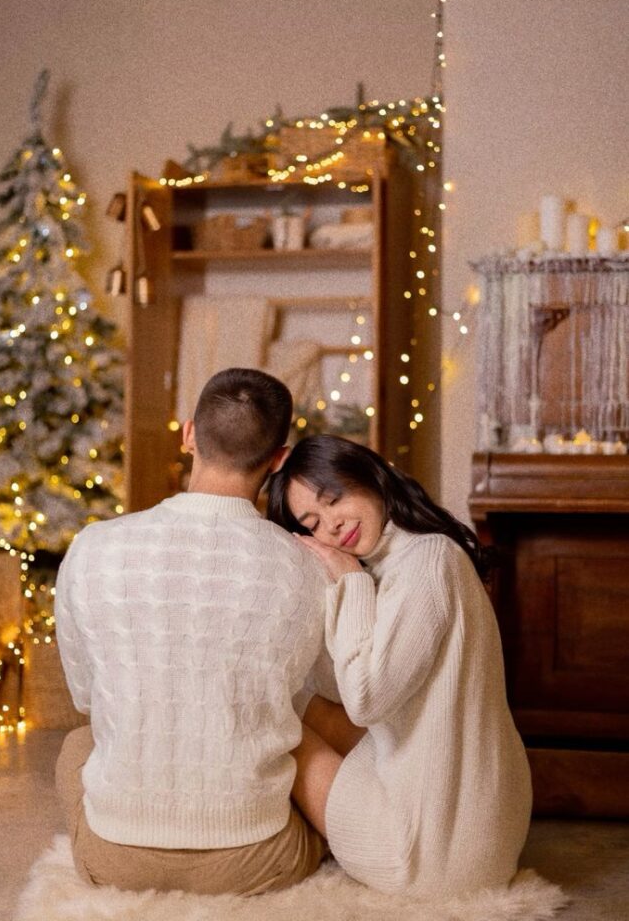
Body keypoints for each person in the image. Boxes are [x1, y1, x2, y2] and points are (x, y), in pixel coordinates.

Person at [54, 368, 328, 896]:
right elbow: (315, 693)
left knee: (76, 745)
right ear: (279, 459)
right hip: (256, 856)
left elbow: (86, 696)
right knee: (299, 750)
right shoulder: (306, 566)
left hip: (116, 858)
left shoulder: (93, 546)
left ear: (189, 435)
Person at [267, 434, 532, 898]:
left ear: (369, 477)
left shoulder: (426, 563)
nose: (332, 525)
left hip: (424, 855)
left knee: (274, 721)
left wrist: (349, 581)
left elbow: (365, 699)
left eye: (334, 500)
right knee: (302, 702)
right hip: (486, 839)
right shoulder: (410, 557)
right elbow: (340, 685)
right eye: (313, 522)